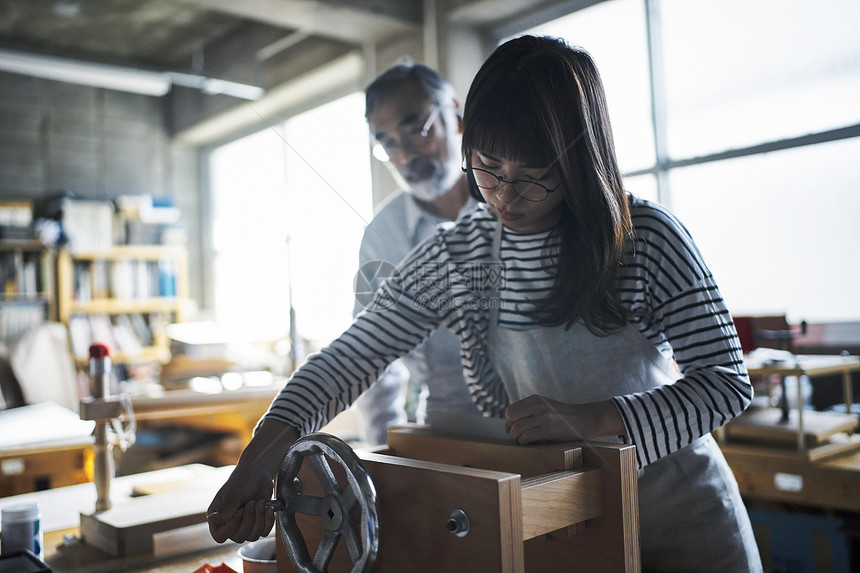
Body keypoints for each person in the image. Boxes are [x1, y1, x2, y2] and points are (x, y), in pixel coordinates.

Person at [208, 35, 762, 572]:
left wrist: (594, 419)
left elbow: (726, 383)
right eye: (489, 168)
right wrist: (261, 458)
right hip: (571, 518)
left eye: (533, 176)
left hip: (679, 513)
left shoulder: (646, 237)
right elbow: (352, 356)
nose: (504, 197)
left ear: (579, 158)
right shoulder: (459, 252)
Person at [352, 63, 481, 446]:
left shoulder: (510, 199)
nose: (405, 154)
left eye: (415, 130)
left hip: (546, 432)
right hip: (445, 433)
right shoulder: (382, 235)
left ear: (455, 115)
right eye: (387, 142)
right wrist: (384, 453)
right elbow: (371, 359)